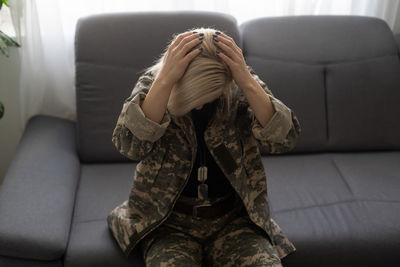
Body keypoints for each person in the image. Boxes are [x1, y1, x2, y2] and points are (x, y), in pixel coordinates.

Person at [107, 27, 302, 266]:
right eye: (191, 99)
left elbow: (284, 140)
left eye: (208, 98)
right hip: (168, 225)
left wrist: (248, 83)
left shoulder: (240, 84)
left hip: (235, 221)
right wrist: (166, 80)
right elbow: (129, 147)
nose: (198, 107)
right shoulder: (154, 85)